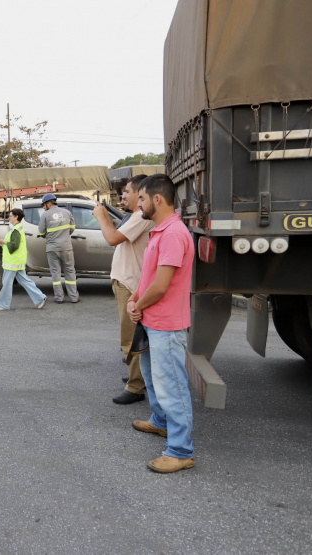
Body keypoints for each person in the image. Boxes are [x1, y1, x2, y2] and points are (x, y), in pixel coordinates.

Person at [127, 174, 196, 474]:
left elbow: (161, 286)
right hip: (151, 320)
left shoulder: (173, 234)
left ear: (157, 200)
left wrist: (137, 306)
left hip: (166, 325)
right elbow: (149, 278)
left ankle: (181, 451)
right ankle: (161, 422)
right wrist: (135, 298)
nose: (137, 203)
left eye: (141, 198)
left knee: (172, 387)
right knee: (153, 378)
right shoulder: (160, 230)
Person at [93, 174, 154, 405]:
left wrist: (101, 216)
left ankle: (136, 386)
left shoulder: (141, 217)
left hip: (132, 285)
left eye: (127, 191)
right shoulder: (135, 216)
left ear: (140, 194)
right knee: (129, 336)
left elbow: (112, 238)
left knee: (132, 338)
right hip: (126, 282)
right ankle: (136, 376)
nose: (123, 196)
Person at [0, 208, 48, 311]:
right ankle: (40, 298)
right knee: (25, 281)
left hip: (12, 262)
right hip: (18, 261)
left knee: (7, 284)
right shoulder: (18, 229)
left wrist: (2, 242)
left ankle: (2, 304)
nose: (9, 217)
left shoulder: (16, 231)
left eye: (10, 215)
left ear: (16, 217)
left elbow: (14, 246)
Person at [38, 193, 79, 303]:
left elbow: (41, 232)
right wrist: (63, 235)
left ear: (49, 203)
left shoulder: (45, 215)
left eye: (44, 205)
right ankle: (74, 297)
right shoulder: (67, 213)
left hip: (52, 248)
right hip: (66, 247)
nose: (43, 207)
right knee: (70, 271)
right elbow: (72, 229)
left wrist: (49, 235)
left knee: (55, 273)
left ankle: (59, 298)